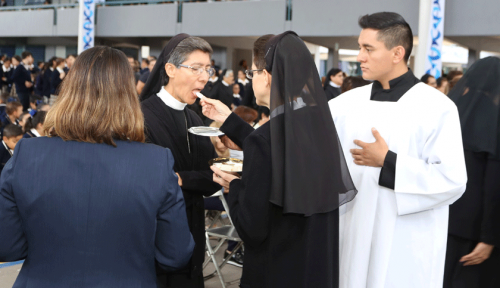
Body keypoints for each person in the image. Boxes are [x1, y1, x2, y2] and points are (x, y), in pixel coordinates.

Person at [0, 46, 195, 287]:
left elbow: (7, 247)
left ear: (69, 90)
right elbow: (175, 254)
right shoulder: (156, 162)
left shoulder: (26, 154)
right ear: (128, 96)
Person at [200, 31, 357, 288]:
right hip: (314, 266)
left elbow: (252, 229)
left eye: (252, 73)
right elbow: (282, 151)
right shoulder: (319, 125)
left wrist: (234, 187)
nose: (250, 81)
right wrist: (231, 121)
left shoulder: (264, 140)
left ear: (268, 77)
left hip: (277, 269)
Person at [328, 12, 467, 288]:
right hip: (352, 232)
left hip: (406, 243)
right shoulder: (344, 105)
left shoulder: (436, 108)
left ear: (397, 53)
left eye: (368, 49)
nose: (359, 57)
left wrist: (388, 162)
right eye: (359, 47)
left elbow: (452, 180)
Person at [139, 34, 221, 288]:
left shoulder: (196, 120)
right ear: (170, 69)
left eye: (208, 69)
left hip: (193, 234)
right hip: (153, 238)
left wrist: (183, 178)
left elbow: (213, 178)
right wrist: (192, 179)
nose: (205, 77)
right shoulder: (140, 116)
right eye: (196, 68)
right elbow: (148, 181)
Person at [444, 56, 500, 288]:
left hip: (441, 216)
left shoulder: (450, 110)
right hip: (476, 227)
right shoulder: (494, 118)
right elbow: (493, 184)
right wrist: (489, 237)